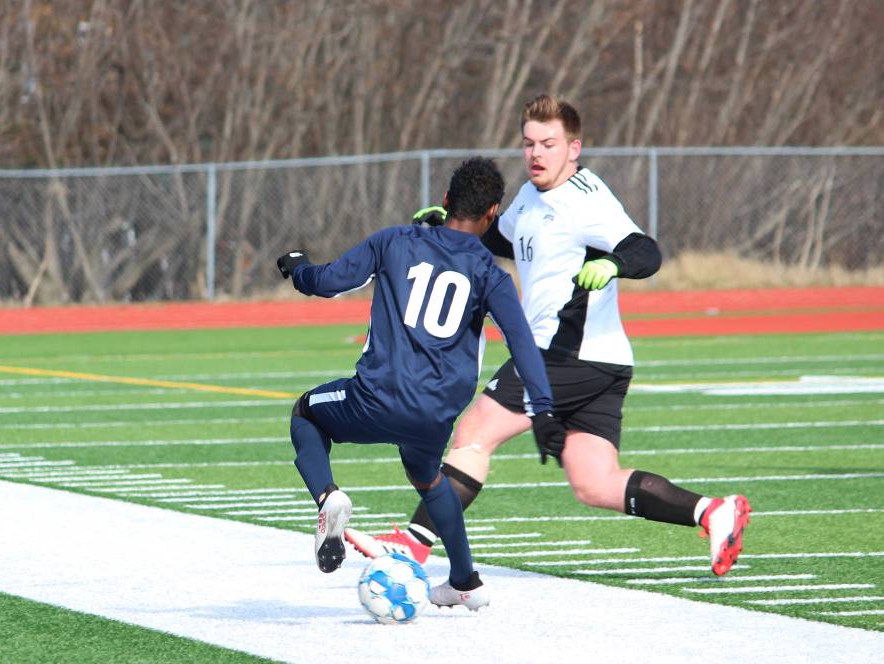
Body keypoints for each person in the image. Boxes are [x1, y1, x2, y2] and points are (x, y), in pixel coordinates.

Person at [346, 94, 751, 577]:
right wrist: (453, 229)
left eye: (549, 144)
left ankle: (410, 545)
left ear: (573, 148)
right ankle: (712, 511)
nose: (537, 153)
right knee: (595, 482)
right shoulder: (529, 197)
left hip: (563, 352)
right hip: (601, 360)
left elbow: (646, 250)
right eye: (529, 143)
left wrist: (612, 263)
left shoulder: (588, 198)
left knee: (474, 434)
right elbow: (503, 238)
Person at [278, 157, 565, 611]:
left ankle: (328, 499)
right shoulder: (490, 273)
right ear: (493, 214)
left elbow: (330, 281)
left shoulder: (395, 240)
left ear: (445, 200)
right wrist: (544, 409)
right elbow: (521, 342)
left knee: (305, 415)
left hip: (375, 398)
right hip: (434, 414)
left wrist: (297, 269)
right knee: (430, 480)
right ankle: (465, 581)